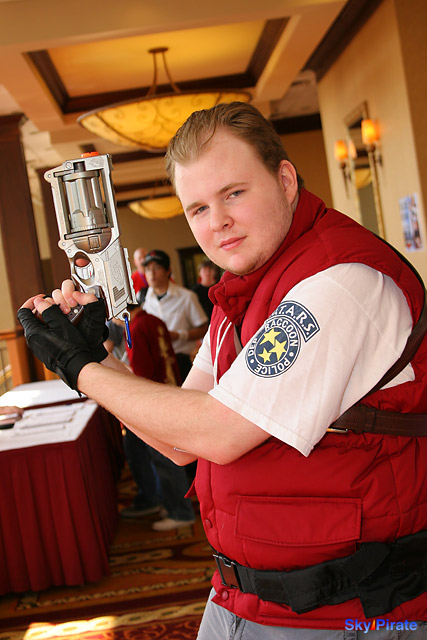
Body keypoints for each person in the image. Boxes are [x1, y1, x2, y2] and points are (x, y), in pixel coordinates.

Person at [18, 102, 427, 639]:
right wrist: (99, 355)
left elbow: (219, 431)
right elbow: (182, 442)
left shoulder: (338, 280)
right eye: (198, 208)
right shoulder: (242, 292)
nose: (217, 222)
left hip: (347, 612)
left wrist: (79, 367)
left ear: (285, 181)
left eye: (233, 193)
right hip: (240, 594)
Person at [120, 304, 195, 530]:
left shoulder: (135, 328)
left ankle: (180, 512)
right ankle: (160, 500)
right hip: (169, 390)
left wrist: (119, 372)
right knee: (147, 451)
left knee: (164, 458)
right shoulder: (154, 320)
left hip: (154, 401)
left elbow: (141, 374)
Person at [142, 249, 208, 381]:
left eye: (157, 268)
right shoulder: (143, 299)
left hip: (181, 360)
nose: (151, 273)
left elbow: (204, 329)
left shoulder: (186, 297)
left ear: (168, 271)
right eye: (148, 269)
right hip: (155, 363)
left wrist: (179, 335)